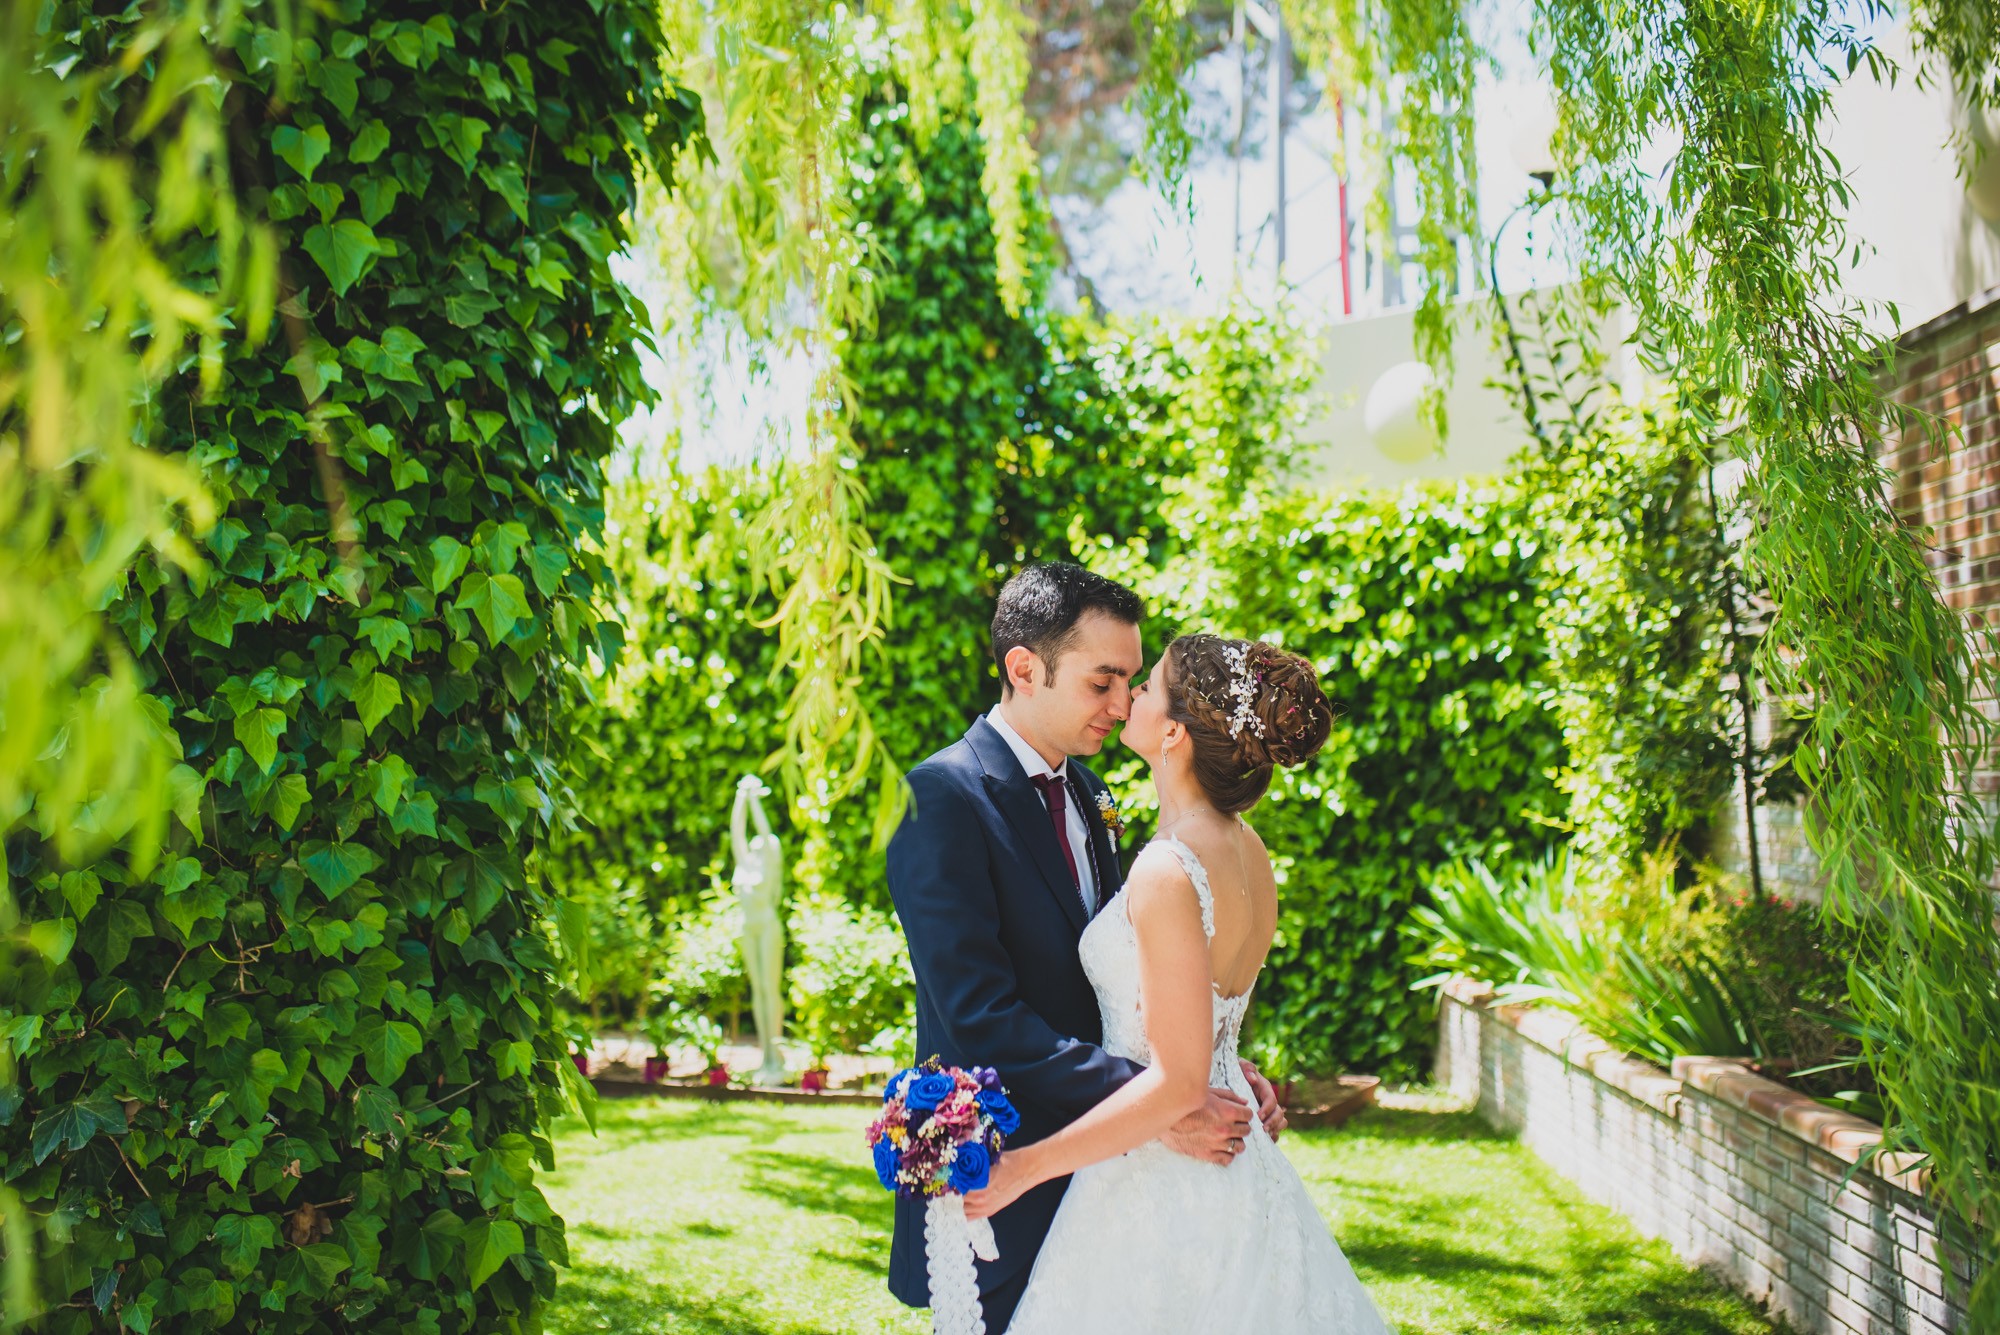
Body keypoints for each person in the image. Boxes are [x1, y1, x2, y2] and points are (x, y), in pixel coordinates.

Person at [886, 564, 1288, 1333]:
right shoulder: (938, 799)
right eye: (1103, 681)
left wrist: (1209, 1068)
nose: (1123, 704)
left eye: (1133, 682)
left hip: (1112, 1184)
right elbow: (980, 1015)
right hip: (1001, 1173)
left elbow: (1126, 977)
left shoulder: (1092, 793)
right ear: (1024, 668)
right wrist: (1158, 1097)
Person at [964, 631, 1394, 1334]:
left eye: (1148, 684)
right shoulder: (1247, 850)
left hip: (1157, 1188)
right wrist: (1234, 1068)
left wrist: (1023, 1168)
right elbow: (1209, 1024)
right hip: (1234, 1163)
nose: (1128, 694)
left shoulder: (1169, 869)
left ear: (1172, 730)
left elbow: (1176, 1083)